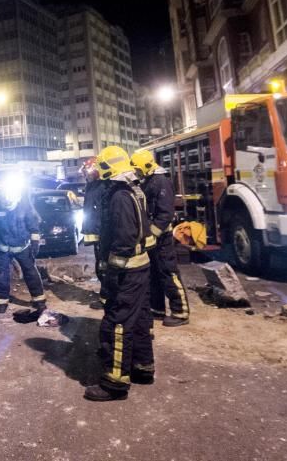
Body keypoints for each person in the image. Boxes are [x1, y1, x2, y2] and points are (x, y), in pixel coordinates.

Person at [84, 146, 153, 402]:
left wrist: (111, 269)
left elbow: (124, 238)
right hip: (139, 267)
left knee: (117, 323)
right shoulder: (133, 189)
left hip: (127, 270)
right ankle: (142, 368)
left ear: (108, 167)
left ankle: (115, 383)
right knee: (140, 320)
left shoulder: (119, 196)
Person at [131, 149, 189, 326]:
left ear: (147, 167)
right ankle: (157, 309)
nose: (137, 174)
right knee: (154, 274)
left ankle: (181, 312)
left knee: (168, 273)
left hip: (162, 239)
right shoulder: (149, 181)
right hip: (153, 239)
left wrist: (153, 234)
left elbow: (165, 214)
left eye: (139, 170)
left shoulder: (160, 182)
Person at [0, 179, 47, 314]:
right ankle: (1, 304)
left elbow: (33, 226)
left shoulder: (24, 206)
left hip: (22, 248)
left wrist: (35, 243)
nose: (7, 201)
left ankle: (39, 301)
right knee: (2, 275)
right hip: (3, 249)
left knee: (30, 272)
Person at [81, 158, 108, 306]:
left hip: (103, 233)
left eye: (88, 171)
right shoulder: (91, 186)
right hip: (96, 233)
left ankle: (107, 299)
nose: (86, 174)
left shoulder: (104, 186)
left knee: (104, 266)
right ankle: (105, 297)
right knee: (100, 266)